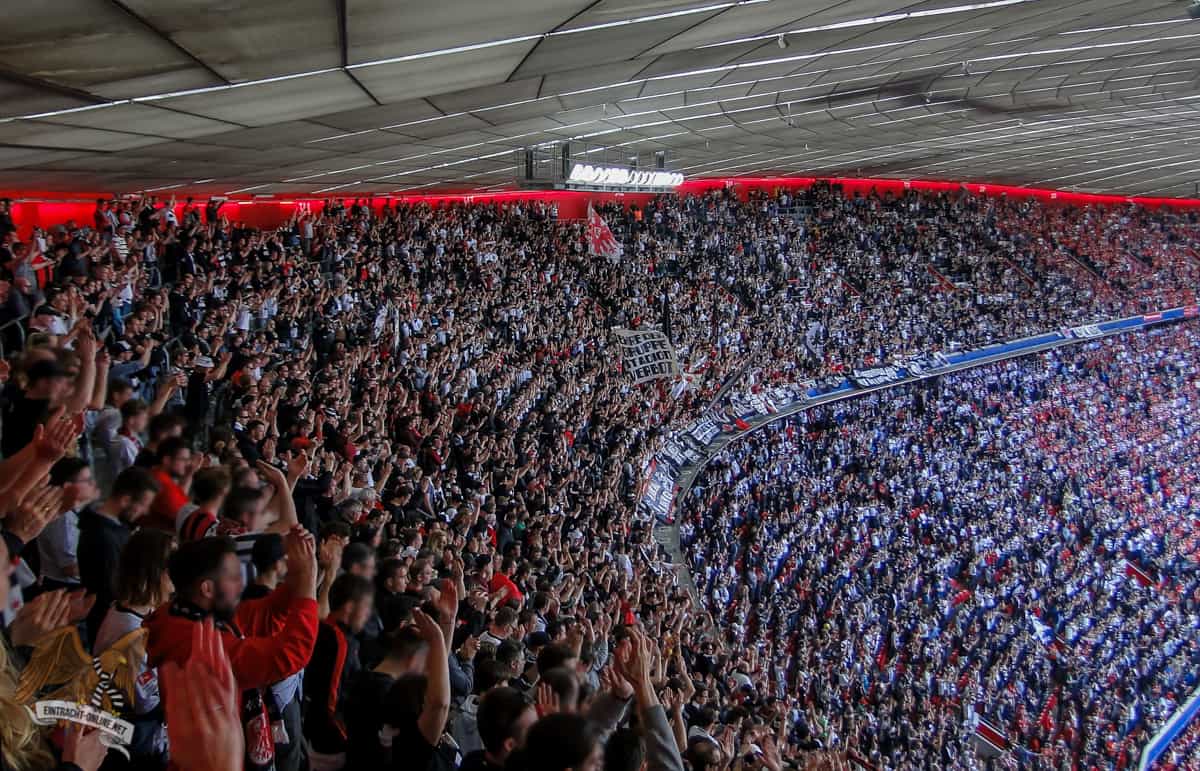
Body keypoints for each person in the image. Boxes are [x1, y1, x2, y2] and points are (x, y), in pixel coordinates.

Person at [144, 528, 319, 771]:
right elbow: (287, 654)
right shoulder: (195, 642)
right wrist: (307, 583)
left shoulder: (191, 614)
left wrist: (300, 568)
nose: (241, 583)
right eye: (233, 576)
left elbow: (264, 612)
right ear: (207, 589)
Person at [93, 529, 175, 770]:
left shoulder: (135, 610)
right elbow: (147, 703)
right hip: (136, 747)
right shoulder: (130, 632)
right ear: (152, 572)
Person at [77, 466, 160, 642]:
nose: (145, 512)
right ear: (125, 500)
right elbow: (112, 589)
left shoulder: (113, 527)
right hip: (111, 626)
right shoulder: (102, 537)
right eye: (142, 505)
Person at [303, 573, 374, 769]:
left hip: (317, 734)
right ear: (349, 607)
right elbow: (330, 702)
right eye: (365, 607)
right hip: (331, 744)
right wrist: (347, 741)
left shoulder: (325, 628)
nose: (367, 614)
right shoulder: (341, 643)